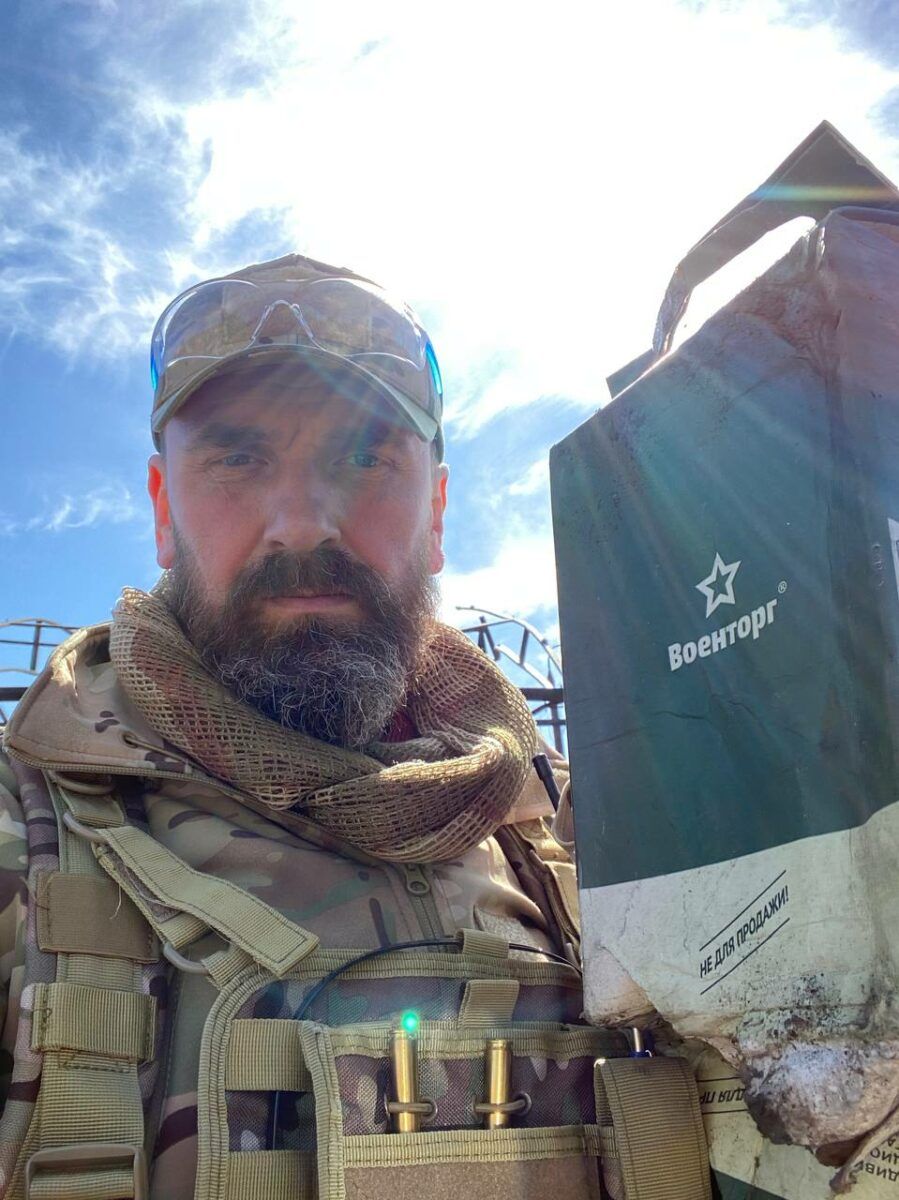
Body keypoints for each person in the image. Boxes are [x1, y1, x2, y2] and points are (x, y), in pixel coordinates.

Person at [0, 253, 588, 1200]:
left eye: (365, 458)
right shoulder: (29, 817)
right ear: (164, 511)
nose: (303, 524)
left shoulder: (566, 826)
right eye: (238, 459)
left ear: (437, 513)